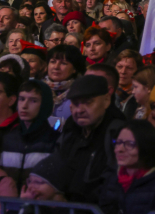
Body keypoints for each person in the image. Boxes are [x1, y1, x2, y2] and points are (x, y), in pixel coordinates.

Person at [54, 73, 126, 204]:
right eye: (75, 104)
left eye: (88, 102)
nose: (80, 110)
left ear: (106, 101)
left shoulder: (119, 133)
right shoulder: (70, 129)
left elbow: (115, 182)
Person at [1, 78, 57, 185]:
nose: (24, 106)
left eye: (33, 100)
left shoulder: (55, 141)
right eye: (21, 99)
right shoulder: (7, 138)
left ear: (45, 104)